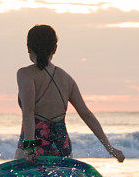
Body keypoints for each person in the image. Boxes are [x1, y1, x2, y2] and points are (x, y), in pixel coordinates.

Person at [15, 24, 125, 165]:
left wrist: (29, 149)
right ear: (55, 49)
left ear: (28, 48)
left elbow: (28, 113)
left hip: (35, 147)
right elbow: (87, 115)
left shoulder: (25, 74)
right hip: (62, 147)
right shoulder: (66, 78)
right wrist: (110, 149)